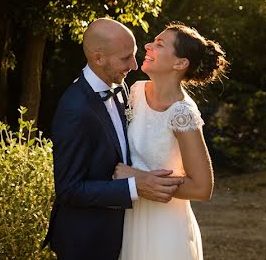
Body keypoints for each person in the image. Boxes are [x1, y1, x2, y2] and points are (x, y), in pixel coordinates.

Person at [43, 18, 185, 260]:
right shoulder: (74, 109)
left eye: (134, 55)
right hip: (86, 241)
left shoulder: (121, 87)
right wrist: (135, 186)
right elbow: (68, 189)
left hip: (124, 233)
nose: (134, 64)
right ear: (98, 58)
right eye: (125, 58)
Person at [113, 22, 228, 260]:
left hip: (164, 228)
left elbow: (202, 187)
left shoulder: (182, 113)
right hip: (131, 219)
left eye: (159, 44)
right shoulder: (135, 91)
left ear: (179, 63)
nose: (148, 46)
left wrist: (136, 178)